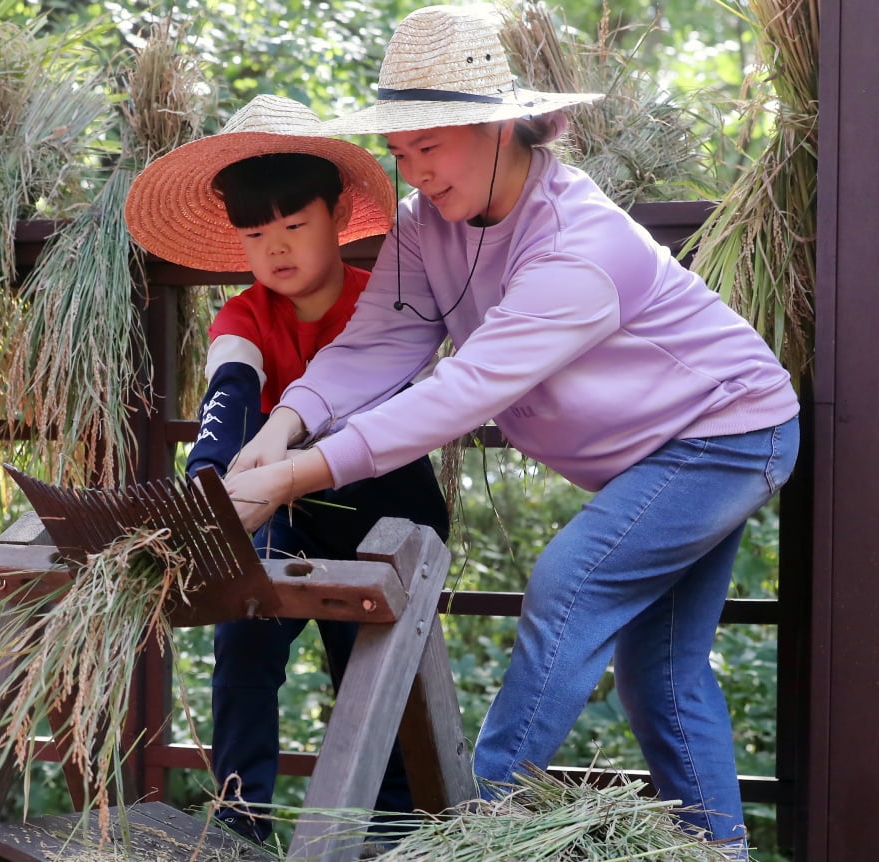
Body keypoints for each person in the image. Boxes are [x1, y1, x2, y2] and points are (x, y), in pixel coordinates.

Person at [223, 6, 799, 856]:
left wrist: (291, 478)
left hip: (725, 437)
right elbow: (384, 340)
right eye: (401, 149)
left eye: (434, 144)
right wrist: (283, 425)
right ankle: (722, 852)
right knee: (662, 675)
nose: (414, 170)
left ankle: (471, 832)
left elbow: (461, 392)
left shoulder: (580, 245)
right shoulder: (424, 225)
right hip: (651, 459)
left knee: (568, 585)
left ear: (503, 126)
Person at [124, 94, 450, 845]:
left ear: (337, 216)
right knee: (242, 638)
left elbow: (396, 417)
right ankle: (240, 821)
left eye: (295, 225)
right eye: (255, 233)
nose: (276, 249)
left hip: (384, 510)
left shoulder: (386, 303)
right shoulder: (241, 319)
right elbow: (227, 401)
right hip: (273, 512)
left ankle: (390, 828)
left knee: (370, 664)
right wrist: (209, 491)